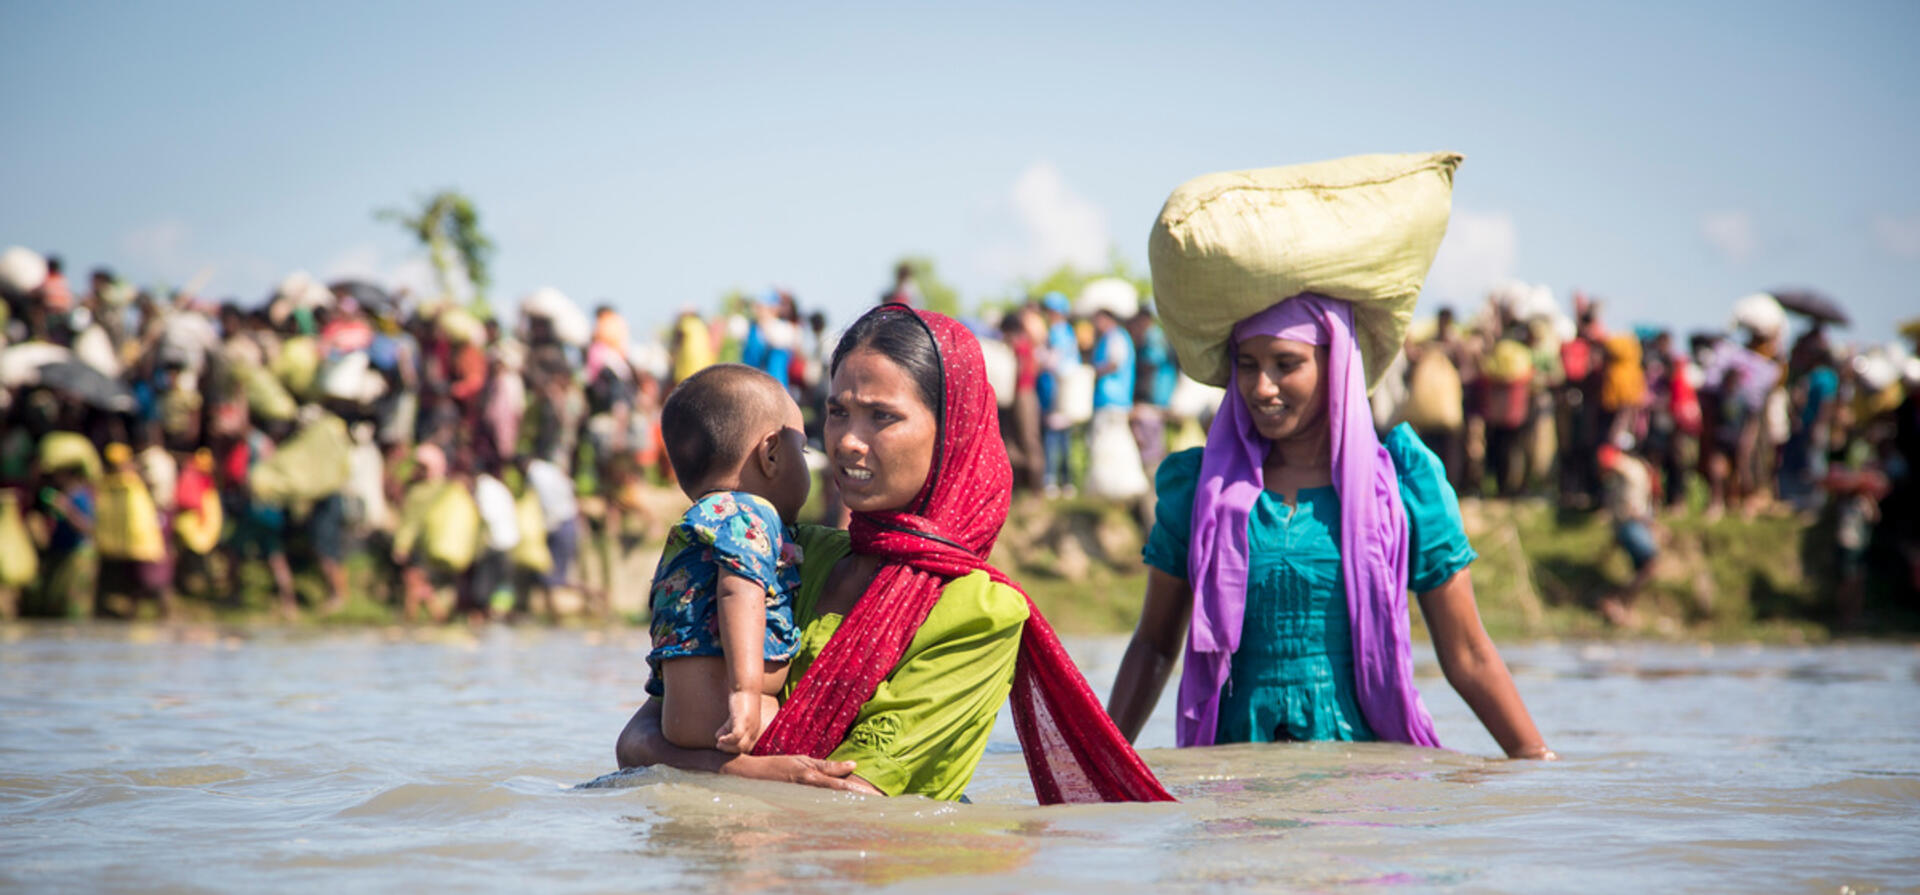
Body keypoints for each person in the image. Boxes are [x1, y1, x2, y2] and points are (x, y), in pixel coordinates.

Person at [618, 305, 1172, 804]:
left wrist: (700, 765)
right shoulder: (787, 552)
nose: (846, 441)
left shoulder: (982, 611)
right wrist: (748, 770)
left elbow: (852, 799)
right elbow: (639, 736)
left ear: (952, 431)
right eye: (837, 412)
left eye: (881, 416)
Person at [1107, 296, 1553, 759]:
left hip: (1361, 781)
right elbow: (1154, 646)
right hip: (1234, 780)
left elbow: (1468, 654)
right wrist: (1097, 763)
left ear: (1336, 364)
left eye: (1286, 364)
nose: (1262, 387)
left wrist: (1535, 758)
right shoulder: (1205, 492)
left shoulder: (1402, 489)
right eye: (1247, 365)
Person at [645, 364, 811, 753]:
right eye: (802, 450)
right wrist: (745, 692)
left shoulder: (700, 520)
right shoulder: (749, 513)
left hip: (680, 716)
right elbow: (738, 592)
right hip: (727, 709)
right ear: (771, 454)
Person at [1596, 444, 1660, 626]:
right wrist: (1654, 525)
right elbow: (1633, 510)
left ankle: (1622, 605)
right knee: (1650, 564)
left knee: (1641, 567)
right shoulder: (1626, 474)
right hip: (1630, 526)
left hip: (1627, 526)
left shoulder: (1626, 473)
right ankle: (1617, 601)